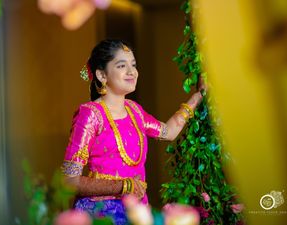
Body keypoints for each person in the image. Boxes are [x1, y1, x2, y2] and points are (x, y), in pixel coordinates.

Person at [61, 39, 206, 225]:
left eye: (134, 65)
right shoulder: (90, 114)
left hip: (136, 211)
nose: (132, 72)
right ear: (101, 75)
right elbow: (69, 180)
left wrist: (198, 96)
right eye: (122, 65)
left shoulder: (134, 110)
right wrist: (124, 185)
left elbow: (168, 132)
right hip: (102, 215)